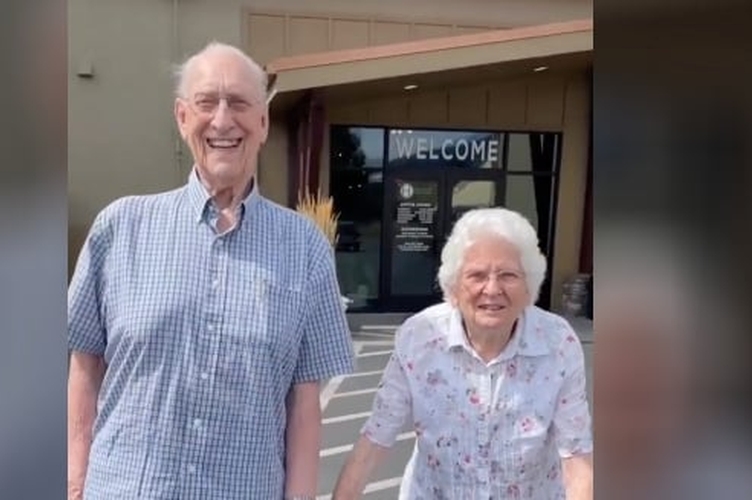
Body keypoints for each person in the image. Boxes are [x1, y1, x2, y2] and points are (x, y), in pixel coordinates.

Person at [67, 41, 355, 500]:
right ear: (183, 118)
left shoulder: (305, 249)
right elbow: (84, 366)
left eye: (240, 103)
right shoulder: (120, 228)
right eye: (207, 103)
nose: (223, 120)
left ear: (262, 123)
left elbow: (305, 405)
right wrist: (75, 482)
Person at [333, 207, 593, 499]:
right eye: (477, 275)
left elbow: (576, 458)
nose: (492, 289)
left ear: (528, 285)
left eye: (508, 275)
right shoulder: (420, 337)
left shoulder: (558, 343)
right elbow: (376, 438)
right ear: (453, 287)